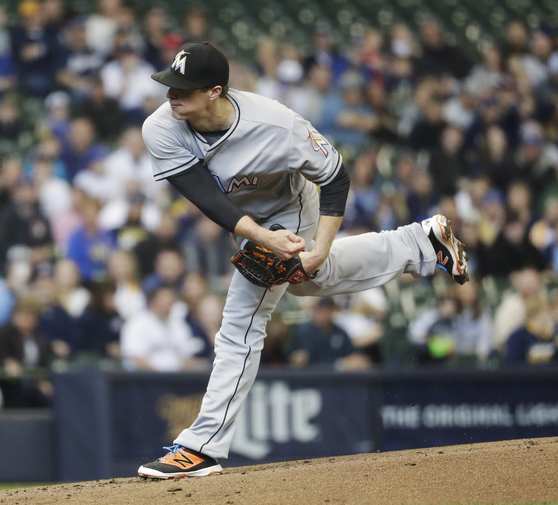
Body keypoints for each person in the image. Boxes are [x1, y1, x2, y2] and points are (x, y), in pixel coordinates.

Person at [136, 41, 469, 479]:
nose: (170, 95)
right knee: (312, 279)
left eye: (182, 88)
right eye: (169, 85)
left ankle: (203, 447)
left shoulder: (276, 125)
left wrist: (320, 246)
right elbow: (208, 201)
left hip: (292, 204)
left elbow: (335, 178)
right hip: (249, 219)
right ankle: (421, 243)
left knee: (242, 320)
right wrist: (272, 243)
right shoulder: (160, 127)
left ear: (215, 91)